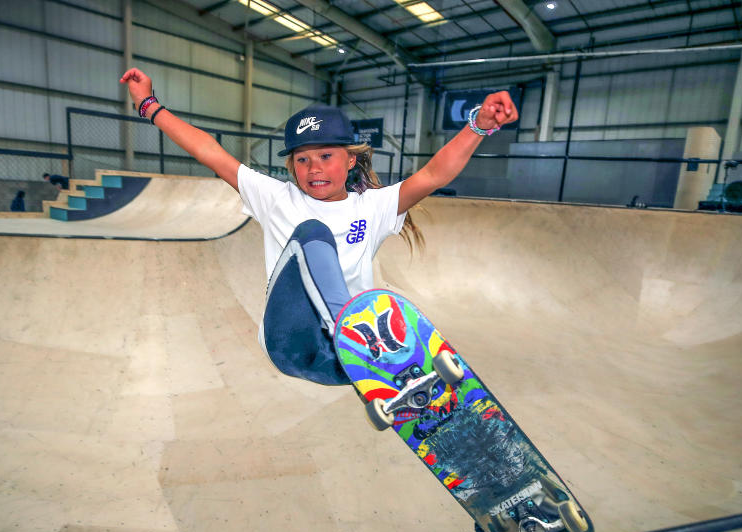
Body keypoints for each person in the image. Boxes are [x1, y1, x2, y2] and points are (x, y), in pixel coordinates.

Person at [120, 67, 517, 387]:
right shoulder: (276, 198)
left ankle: (404, 382)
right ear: (292, 166)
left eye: (326, 156)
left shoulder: (375, 206)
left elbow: (433, 175)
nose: (314, 169)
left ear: (349, 160)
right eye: (303, 160)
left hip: (340, 361)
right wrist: (150, 106)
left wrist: (478, 126)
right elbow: (210, 151)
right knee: (313, 233)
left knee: (388, 303)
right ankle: (366, 348)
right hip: (292, 339)